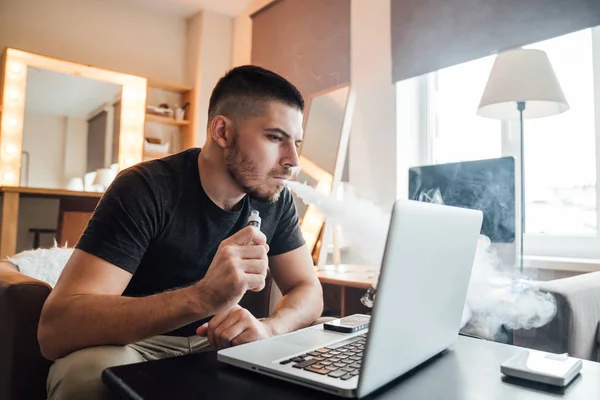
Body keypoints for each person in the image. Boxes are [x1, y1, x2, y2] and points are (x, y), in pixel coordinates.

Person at [38, 65, 324, 400]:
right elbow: (56, 329)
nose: (293, 160)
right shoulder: (146, 189)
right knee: (88, 375)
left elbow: (308, 290)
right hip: (134, 344)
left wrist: (268, 328)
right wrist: (201, 298)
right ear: (222, 131)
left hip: (219, 345)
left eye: (296, 143)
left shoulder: (275, 197)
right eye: (275, 138)